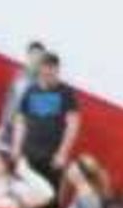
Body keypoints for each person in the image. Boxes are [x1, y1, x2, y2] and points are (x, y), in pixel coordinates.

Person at [12, 45, 84, 180]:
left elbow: (73, 125)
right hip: (28, 153)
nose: (48, 76)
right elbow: (20, 121)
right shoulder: (30, 90)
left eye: (52, 72)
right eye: (44, 72)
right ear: (39, 70)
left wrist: (62, 153)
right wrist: (16, 148)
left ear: (57, 70)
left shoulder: (66, 93)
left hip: (52, 157)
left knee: (49, 196)